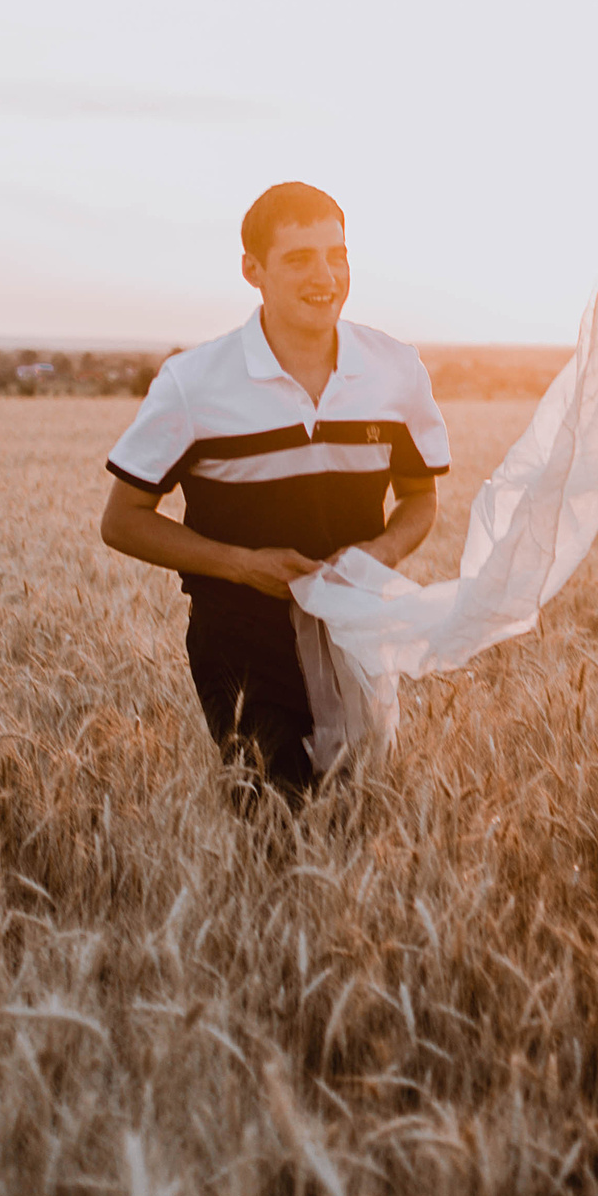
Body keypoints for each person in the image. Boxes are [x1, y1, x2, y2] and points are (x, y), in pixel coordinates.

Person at [99, 181, 449, 809]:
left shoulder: (396, 368)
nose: (325, 275)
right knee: (273, 821)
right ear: (252, 271)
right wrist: (241, 564)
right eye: (298, 258)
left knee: (357, 815)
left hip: (354, 634)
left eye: (336, 255)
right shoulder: (193, 382)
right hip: (240, 640)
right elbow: (122, 521)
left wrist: (382, 552)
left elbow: (420, 499)